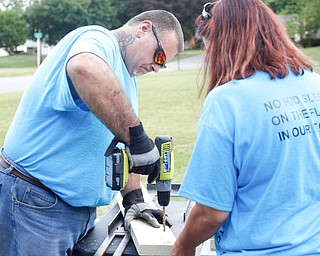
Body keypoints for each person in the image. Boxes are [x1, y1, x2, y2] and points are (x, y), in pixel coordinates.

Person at [0, 10, 184, 255]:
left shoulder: (125, 76)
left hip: (69, 209)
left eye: (163, 63)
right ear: (143, 29)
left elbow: (118, 142)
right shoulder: (98, 39)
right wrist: (137, 137)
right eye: (159, 56)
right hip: (35, 205)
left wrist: (134, 197)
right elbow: (84, 67)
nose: (157, 68)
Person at [172, 0, 320, 255]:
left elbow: (212, 213)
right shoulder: (314, 84)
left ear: (225, 42)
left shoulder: (227, 101)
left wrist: (182, 247)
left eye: (210, 45)